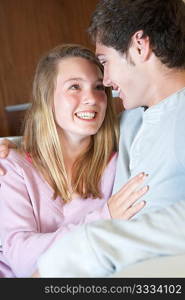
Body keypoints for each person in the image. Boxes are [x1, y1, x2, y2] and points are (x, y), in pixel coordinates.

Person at [32, 0, 185, 277]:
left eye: (105, 62)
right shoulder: (132, 120)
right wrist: (11, 148)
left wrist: (89, 247)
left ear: (140, 45)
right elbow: (75, 135)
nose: (108, 80)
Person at [0, 43, 148, 278]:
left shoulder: (118, 165)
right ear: (47, 97)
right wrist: (103, 220)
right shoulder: (13, 167)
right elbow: (23, 262)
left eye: (99, 87)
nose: (91, 98)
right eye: (75, 87)